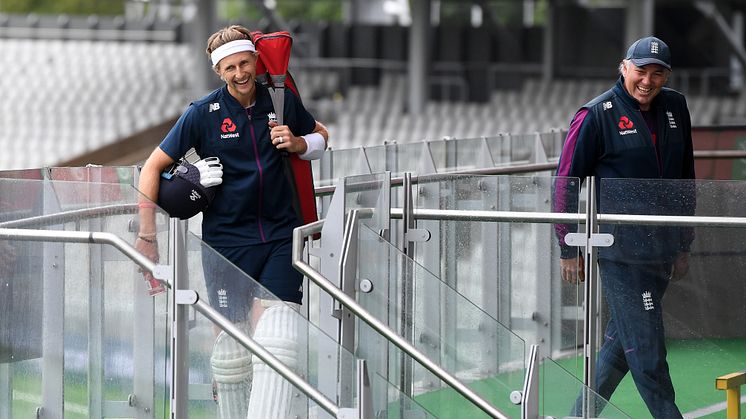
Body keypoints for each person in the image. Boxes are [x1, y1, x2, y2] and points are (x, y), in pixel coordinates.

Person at [135, 24, 329, 419]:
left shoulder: (280, 98)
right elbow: (152, 169)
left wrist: (297, 143)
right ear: (218, 72)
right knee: (232, 353)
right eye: (230, 68)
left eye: (244, 63)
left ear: (256, 61)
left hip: (281, 235)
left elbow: (321, 135)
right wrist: (147, 236)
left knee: (278, 338)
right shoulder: (201, 113)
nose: (240, 74)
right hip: (225, 243)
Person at [554, 36, 695, 418]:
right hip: (620, 254)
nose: (647, 81)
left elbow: (686, 179)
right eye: (640, 71)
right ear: (623, 67)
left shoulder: (676, 107)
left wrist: (684, 244)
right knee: (648, 352)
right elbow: (565, 183)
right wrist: (568, 247)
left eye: (657, 73)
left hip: (662, 251)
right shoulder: (596, 114)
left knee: (622, 343)